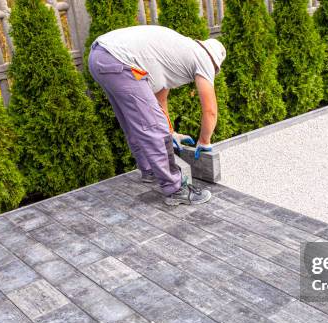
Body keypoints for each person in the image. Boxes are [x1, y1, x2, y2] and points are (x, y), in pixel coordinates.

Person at [88, 25, 226, 205]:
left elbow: (159, 102)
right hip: (118, 59)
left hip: (100, 57)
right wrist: (204, 141)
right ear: (215, 63)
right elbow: (210, 111)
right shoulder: (204, 59)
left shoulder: (177, 54)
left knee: (135, 122)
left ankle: (151, 171)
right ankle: (175, 189)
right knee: (154, 127)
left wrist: (171, 132)